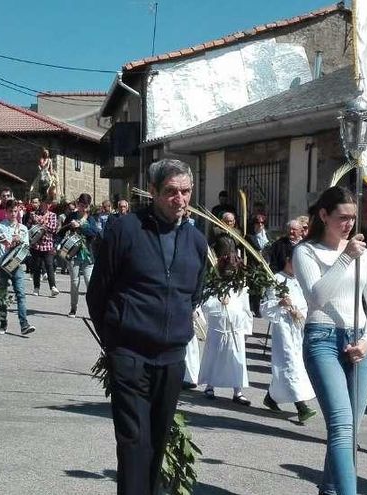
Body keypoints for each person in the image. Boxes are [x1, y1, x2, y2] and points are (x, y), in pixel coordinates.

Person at [87, 158, 207, 495]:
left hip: (171, 359)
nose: (179, 199)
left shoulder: (196, 241)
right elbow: (98, 292)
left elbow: (192, 295)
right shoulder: (125, 230)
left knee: (157, 442)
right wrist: (114, 343)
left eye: (185, 192)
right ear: (152, 191)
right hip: (130, 355)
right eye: (170, 192)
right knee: (133, 443)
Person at [293, 186, 367, 495]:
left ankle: (329, 490)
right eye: (342, 217)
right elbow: (317, 297)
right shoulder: (306, 251)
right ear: (323, 215)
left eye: (353, 218)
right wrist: (345, 258)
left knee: (350, 430)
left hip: (359, 343)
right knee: (342, 426)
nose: (349, 224)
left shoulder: (359, 252)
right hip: (323, 340)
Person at [260, 240, 317, 423]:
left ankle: (271, 397)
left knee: (298, 364)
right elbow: (265, 308)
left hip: (298, 328)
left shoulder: (300, 281)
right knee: (290, 364)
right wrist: (279, 303)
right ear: (287, 260)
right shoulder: (276, 279)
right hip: (284, 329)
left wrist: (301, 313)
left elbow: (308, 302)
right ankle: (302, 407)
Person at [198, 237, 253, 406]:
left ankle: (238, 390)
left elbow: (245, 306)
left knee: (236, 357)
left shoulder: (241, 284)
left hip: (235, 326)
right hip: (218, 327)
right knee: (215, 356)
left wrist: (247, 328)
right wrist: (218, 301)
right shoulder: (214, 282)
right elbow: (205, 304)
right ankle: (210, 385)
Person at [0, 200, 35, 335]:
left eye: (15, 211)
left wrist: (19, 242)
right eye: (10, 211)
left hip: (16, 265)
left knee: (21, 294)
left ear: (18, 211)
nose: (13, 214)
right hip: (2, 264)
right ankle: (3, 323)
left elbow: (26, 250)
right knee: (2, 295)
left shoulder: (23, 228)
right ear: (6, 212)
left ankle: (24, 324)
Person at [60, 193, 100, 318]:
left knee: (90, 283)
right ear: (78, 204)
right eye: (81, 205)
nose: (83, 208)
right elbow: (61, 231)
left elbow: (94, 233)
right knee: (74, 283)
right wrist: (60, 242)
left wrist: (81, 226)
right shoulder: (71, 216)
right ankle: (73, 308)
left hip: (88, 255)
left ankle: (94, 310)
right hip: (72, 253)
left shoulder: (91, 219)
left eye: (86, 206)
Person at [28, 198, 59, 297]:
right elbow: (29, 227)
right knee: (36, 267)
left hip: (48, 244)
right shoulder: (34, 214)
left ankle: (53, 287)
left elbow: (53, 228)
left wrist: (41, 224)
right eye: (45, 204)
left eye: (48, 204)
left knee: (49, 265)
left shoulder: (52, 215)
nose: (46, 206)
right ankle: (36, 287)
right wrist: (33, 220)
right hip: (36, 244)